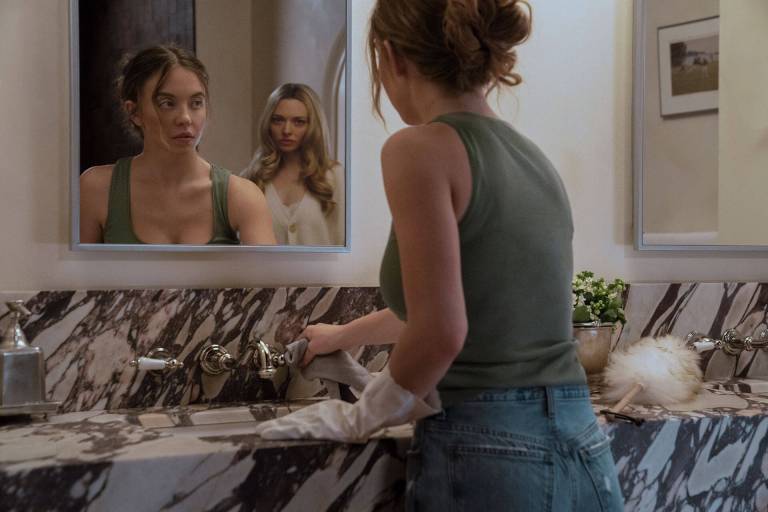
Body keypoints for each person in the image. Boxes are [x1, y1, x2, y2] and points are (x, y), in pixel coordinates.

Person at [255, 1, 623, 510]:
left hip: (490, 447)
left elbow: (441, 332)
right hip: (582, 444)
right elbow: (462, 306)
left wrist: (361, 416)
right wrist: (342, 337)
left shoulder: (417, 148)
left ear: (389, 56)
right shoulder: (535, 159)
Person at [80, 45, 276, 245]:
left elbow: (268, 275)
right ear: (134, 112)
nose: (185, 118)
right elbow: (70, 273)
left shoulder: (241, 196)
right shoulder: (97, 189)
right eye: (167, 103)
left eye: (196, 103)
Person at [241, 83, 344, 246]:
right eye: (278, 120)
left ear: (313, 126)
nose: (287, 130)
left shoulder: (335, 176)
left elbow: (342, 242)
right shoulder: (250, 179)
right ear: (268, 123)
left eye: (299, 122)